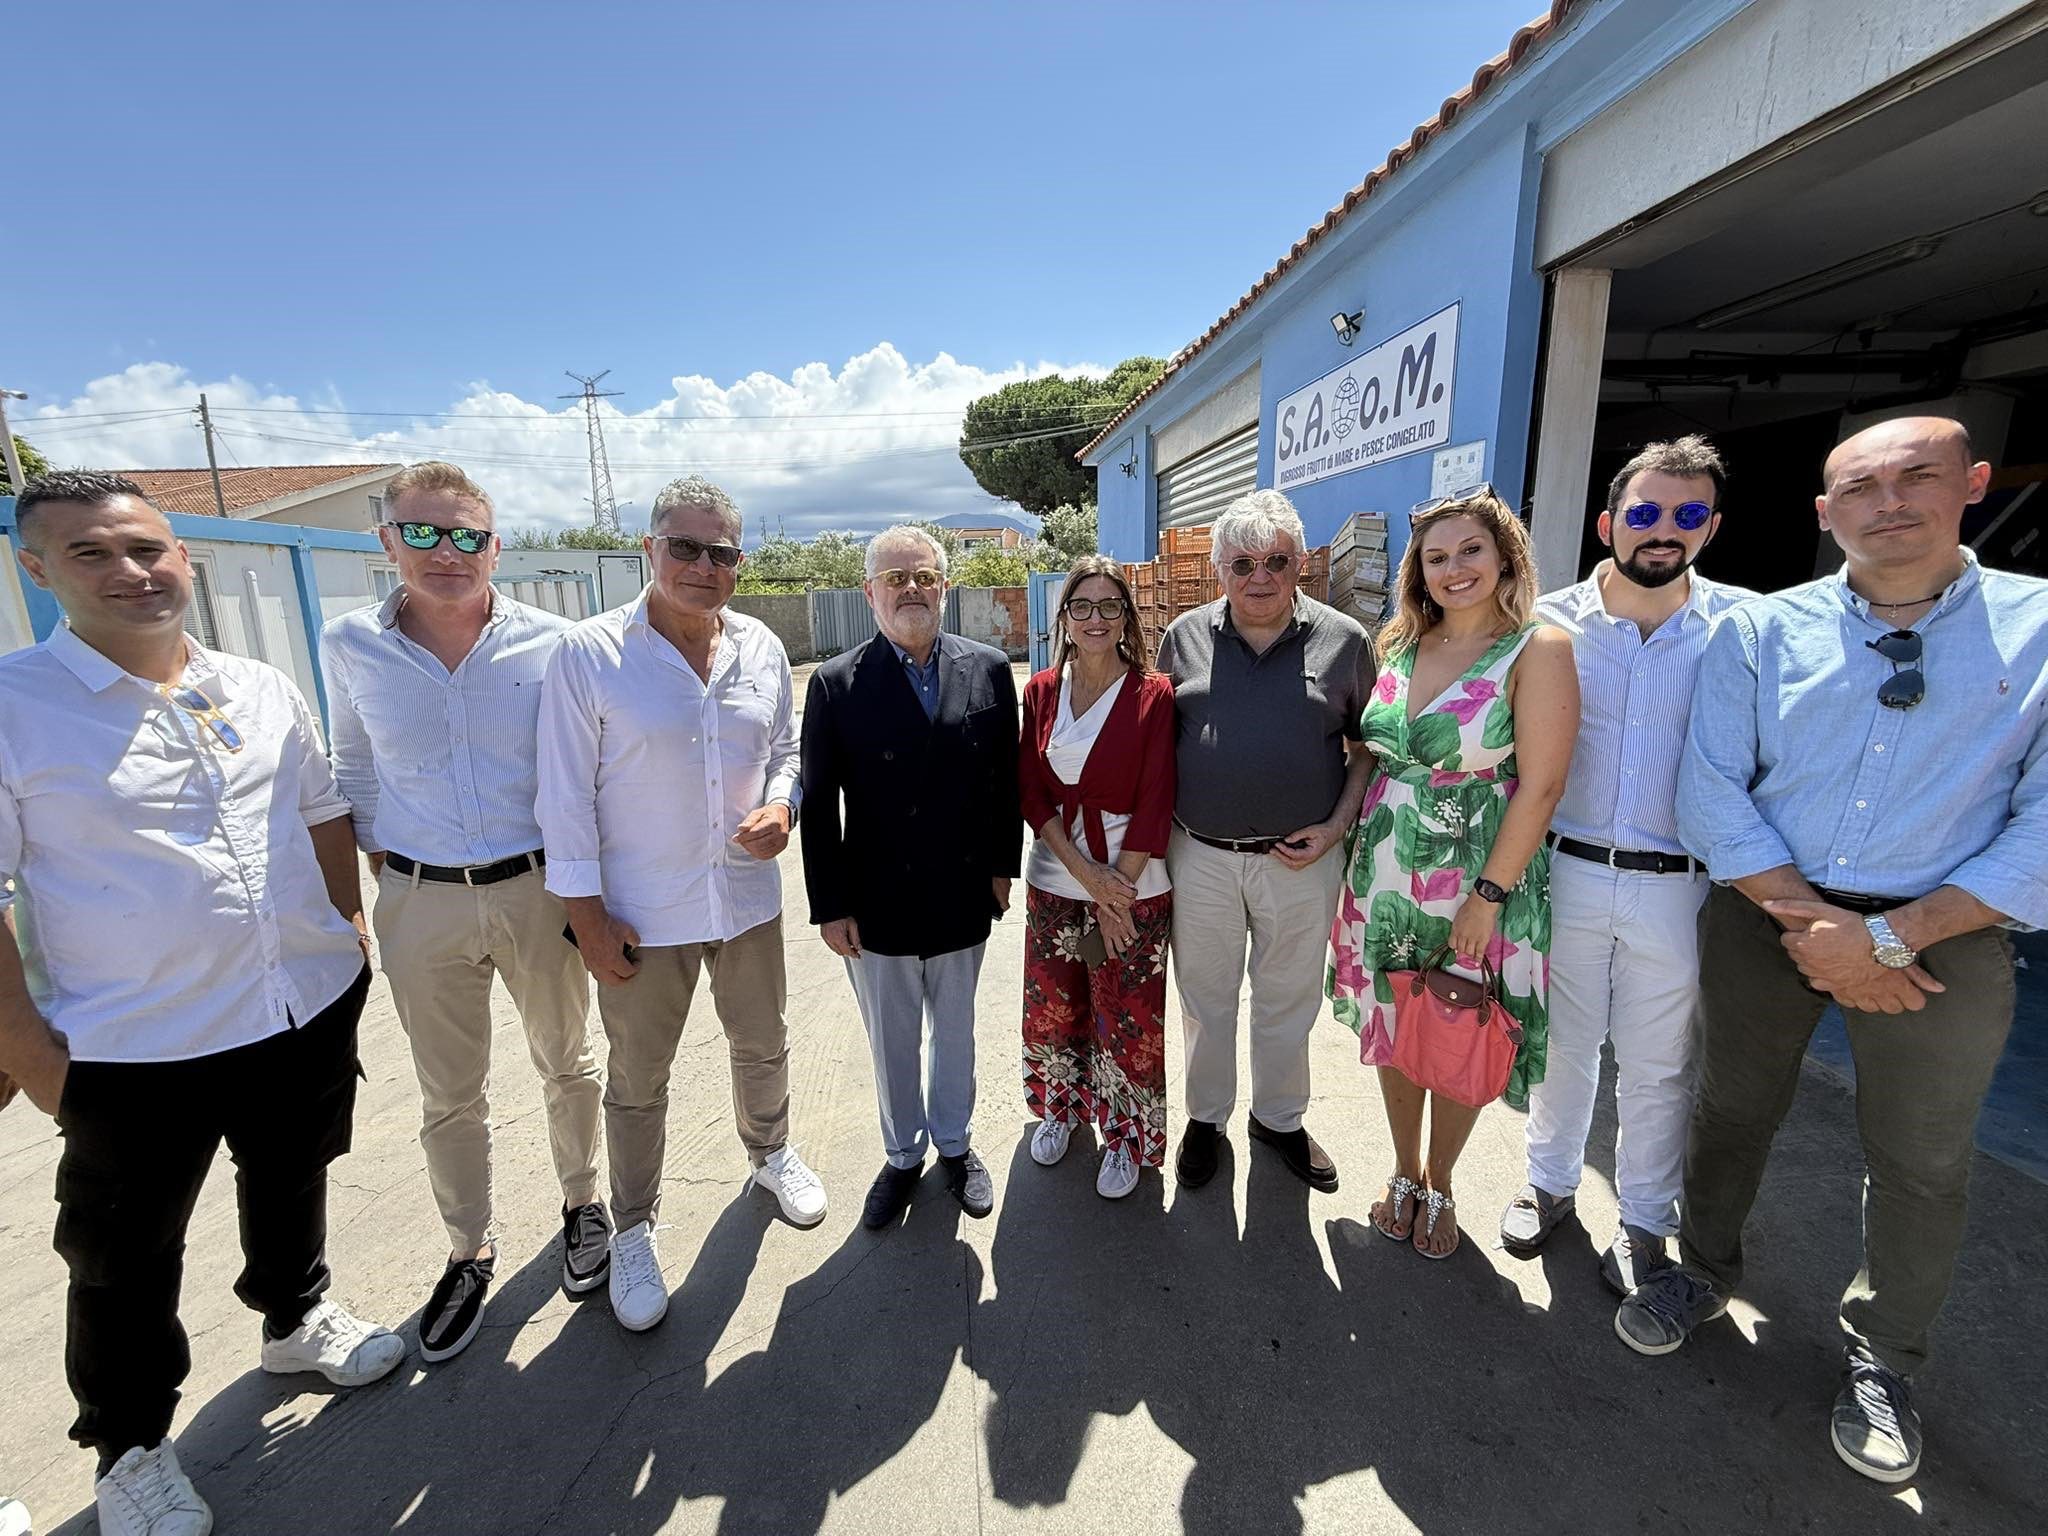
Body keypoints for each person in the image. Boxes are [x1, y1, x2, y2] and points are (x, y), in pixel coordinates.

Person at [1624, 416, 2048, 1485]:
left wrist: (1890, 936)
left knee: (1917, 1160)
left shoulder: (2038, 627)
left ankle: (1883, 1356)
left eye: (1916, 479)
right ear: (1824, 511)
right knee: (1729, 1109)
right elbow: (1711, 787)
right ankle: (1701, 1270)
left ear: (1973, 484)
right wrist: (1819, 929)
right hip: (1769, 921)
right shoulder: (1762, 633)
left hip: (1944, 935)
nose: (1888, 502)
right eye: (1859, 486)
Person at [0, 473, 404, 1536]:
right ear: (37, 569)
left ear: (185, 558)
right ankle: (129, 1446)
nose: (133, 572)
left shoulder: (257, 685)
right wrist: (27, 1048)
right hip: (136, 1042)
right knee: (123, 1258)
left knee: (293, 1173)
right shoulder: (16, 708)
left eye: (148, 549)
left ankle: (296, 1316)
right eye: (92, 553)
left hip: (295, 1006)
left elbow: (321, 811)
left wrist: (346, 935)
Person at [322, 461, 605, 1364]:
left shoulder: (555, 644)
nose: (448, 553)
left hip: (534, 889)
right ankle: (468, 1249)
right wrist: (385, 877)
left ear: (495, 544)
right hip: (418, 897)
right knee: (449, 1095)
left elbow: (582, 769)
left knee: (569, 1063)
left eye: (468, 536)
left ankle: (582, 1205)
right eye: (425, 532)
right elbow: (352, 766)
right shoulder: (350, 644)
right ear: (388, 540)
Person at [536, 475, 826, 1336]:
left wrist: (785, 804)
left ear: (740, 561)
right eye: (686, 547)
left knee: (762, 1042)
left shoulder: (762, 647)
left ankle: (770, 1154)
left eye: (722, 551)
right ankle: (634, 1227)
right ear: (650, 550)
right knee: (636, 1082)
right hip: (640, 916)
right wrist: (585, 920)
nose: (704, 565)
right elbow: (563, 799)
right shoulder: (589, 654)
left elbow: (786, 746)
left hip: (743, 901)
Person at [1499, 437, 1754, 1295]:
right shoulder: (1546, 625)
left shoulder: (1742, 631)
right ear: (1610, 522)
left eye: (1687, 515)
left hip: (1679, 885)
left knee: (1659, 1065)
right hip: (1566, 868)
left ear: (1711, 527)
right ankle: (1550, 1186)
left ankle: (1645, 1222)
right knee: (1562, 1046)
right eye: (1645, 513)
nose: (1663, 532)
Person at [1326, 486, 1577, 1259]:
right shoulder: (1399, 644)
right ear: (1419, 571)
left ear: (1506, 556)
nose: (1454, 568)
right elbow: (1371, 754)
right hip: (1384, 871)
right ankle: (1403, 1171)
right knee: (1397, 1024)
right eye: (1437, 557)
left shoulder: (1539, 648)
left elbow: (1541, 786)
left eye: (1471, 550)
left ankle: (1442, 1179)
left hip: (1477, 876)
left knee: (1462, 1021)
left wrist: (1489, 897)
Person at [801, 525, 1022, 1229]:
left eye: (924, 577)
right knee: (893, 1042)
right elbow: (819, 806)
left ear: (945, 587)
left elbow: (1005, 782)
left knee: (954, 1031)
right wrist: (830, 905)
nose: (912, 590)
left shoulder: (987, 668)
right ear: (869, 593)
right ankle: (902, 1157)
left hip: (962, 891)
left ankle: (955, 1148)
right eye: (895, 580)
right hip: (877, 900)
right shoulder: (836, 684)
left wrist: (1001, 868)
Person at [1156, 489, 1376, 1194]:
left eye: (1276, 560)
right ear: (1218, 568)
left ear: (1302, 563)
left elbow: (1367, 748)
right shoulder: (1182, 637)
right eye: (1243, 561)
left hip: (1301, 860)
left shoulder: (1346, 641)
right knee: (1204, 996)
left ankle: (1279, 1118)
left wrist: (1338, 827)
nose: (1261, 576)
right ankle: (1207, 1117)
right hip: (1202, 854)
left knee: (1287, 998)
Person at [1017, 556, 1177, 1199]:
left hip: (1135, 881)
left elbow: (1157, 795)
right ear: (1064, 617)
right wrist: (1088, 877)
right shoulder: (1041, 690)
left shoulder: (1153, 694)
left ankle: (1126, 1136)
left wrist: (1119, 892)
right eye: (1081, 605)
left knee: (1127, 1010)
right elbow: (1030, 791)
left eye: (1110, 606)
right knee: (1057, 1002)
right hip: (1058, 878)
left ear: (1127, 618)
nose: (1095, 618)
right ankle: (1061, 1108)